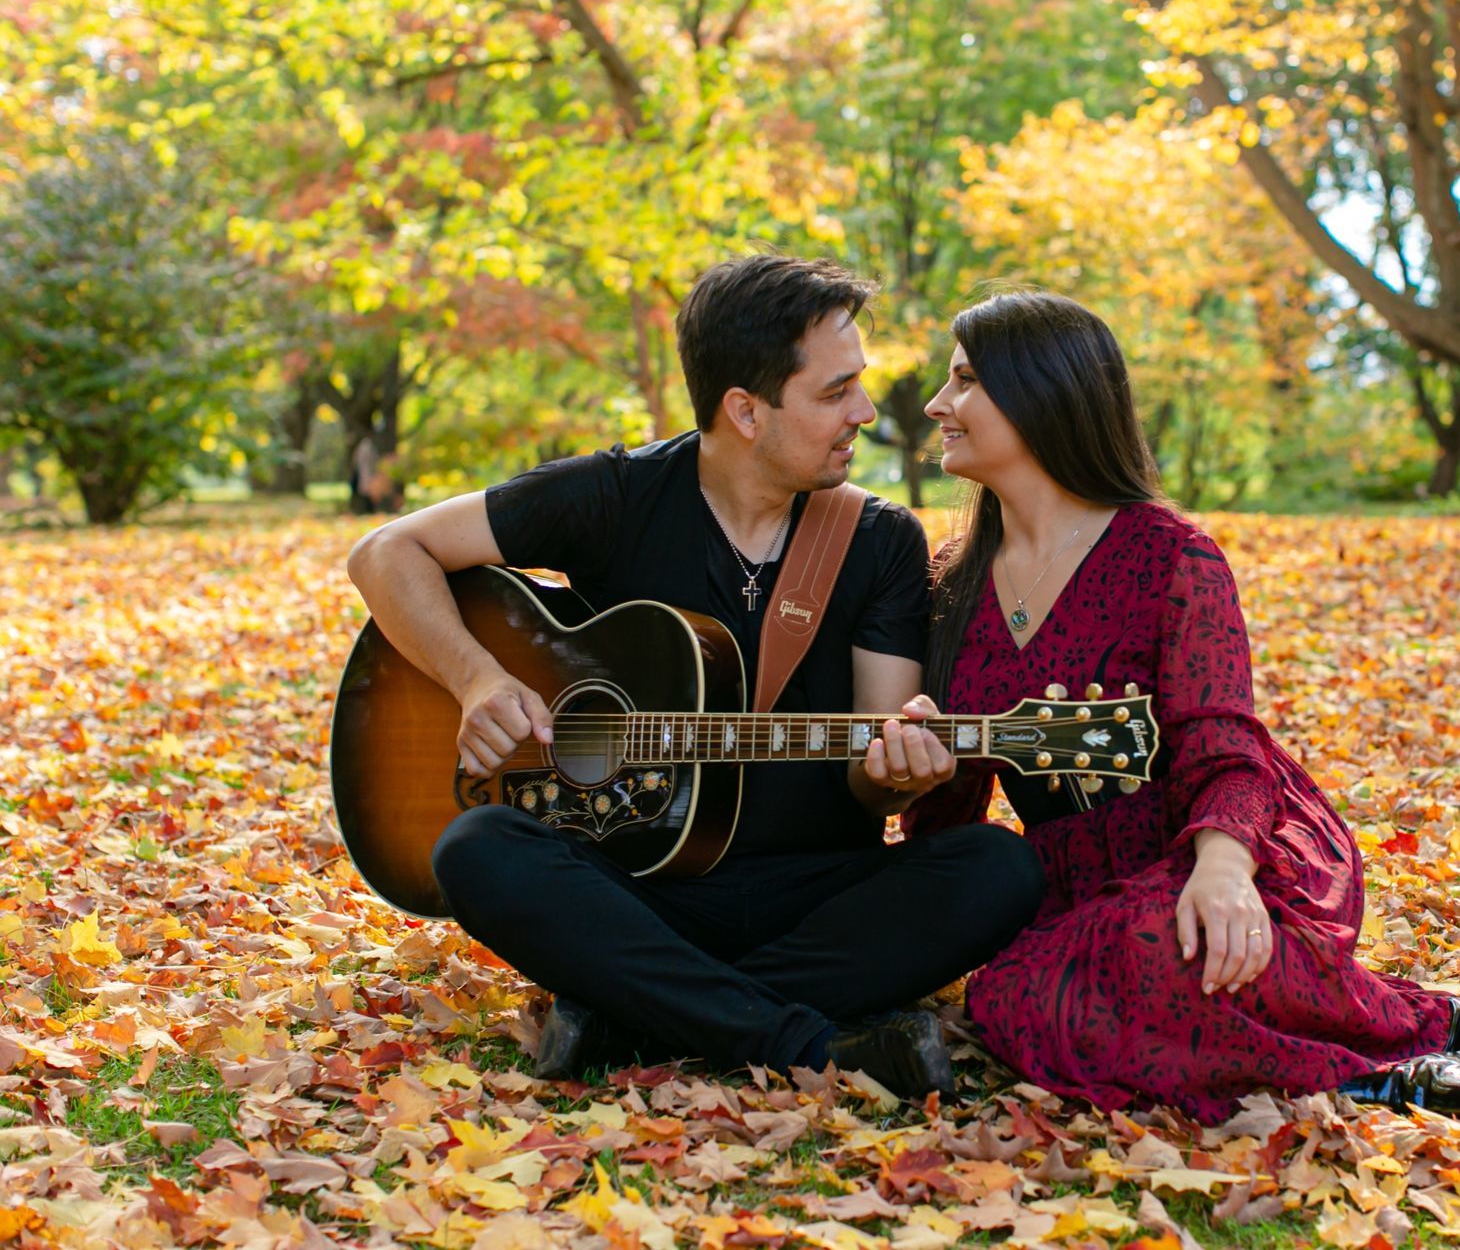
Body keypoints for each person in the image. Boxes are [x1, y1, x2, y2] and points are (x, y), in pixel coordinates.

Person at [905, 292, 1460, 1150]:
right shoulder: (951, 583)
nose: (937, 403)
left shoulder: (1169, 556)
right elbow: (950, 805)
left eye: (964, 380)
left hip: (1205, 847)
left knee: (1162, 944)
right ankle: (1401, 1065)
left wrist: (1222, 870)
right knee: (1009, 1002)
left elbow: (1222, 742)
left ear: (1039, 393)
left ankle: (1415, 1059)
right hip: (1062, 890)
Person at [345, 255, 1044, 1095]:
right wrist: (477, 679)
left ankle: (633, 1011)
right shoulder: (615, 497)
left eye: (858, 386)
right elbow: (386, 552)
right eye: (834, 393)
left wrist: (896, 773)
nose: (864, 412)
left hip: (818, 893)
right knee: (477, 848)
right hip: (634, 890)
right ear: (745, 411)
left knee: (999, 869)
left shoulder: (876, 540)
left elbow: (875, 778)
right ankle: (811, 1044)